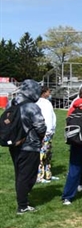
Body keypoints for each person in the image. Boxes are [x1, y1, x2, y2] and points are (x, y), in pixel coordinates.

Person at [8, 79, 47, 214]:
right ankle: (23, 205)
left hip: (14, 144)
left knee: (20, 174)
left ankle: (22, 199)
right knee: (28, 176)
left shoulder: (11, 103)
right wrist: (41, 138)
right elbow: (41, 126)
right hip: (30, 145)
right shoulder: (32, 106)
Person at [36, 86, 57, 183]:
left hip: (49, 132)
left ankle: (47, 174)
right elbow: (47, 118)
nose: (49, 94)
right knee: (42, 154)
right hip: (45, 132)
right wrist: (48, 130)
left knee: (48, 154)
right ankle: (39, 176)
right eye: (48, 92)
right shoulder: (42, 103)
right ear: (44, 93)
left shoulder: (45, 103)